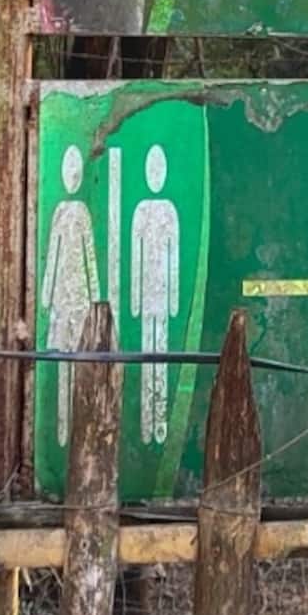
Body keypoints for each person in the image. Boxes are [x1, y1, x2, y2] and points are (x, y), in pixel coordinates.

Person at [39, 146, 99, 445]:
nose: (72, 177)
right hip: (63, 296)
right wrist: (47, 295)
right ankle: (63, 430)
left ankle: (77, 429)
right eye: (68, 170)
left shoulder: (83, 213)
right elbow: (53, 254)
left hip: (81, 299)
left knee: (80, 360)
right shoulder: (60, 212)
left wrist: (96, 298)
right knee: (63, 358)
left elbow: (90, 255)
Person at [130, 143, 181, 444]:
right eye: (152, 169)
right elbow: (136, 257)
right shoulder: (140, 211)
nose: (155, 175)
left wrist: (173, 300)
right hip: (147, 293)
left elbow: (173, 255)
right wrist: (135, 299)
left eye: (159, 170)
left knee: (162, 354)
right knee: (143, 353)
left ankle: (159, 421)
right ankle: (145, 423)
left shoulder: (170, 212)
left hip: (162, 298)